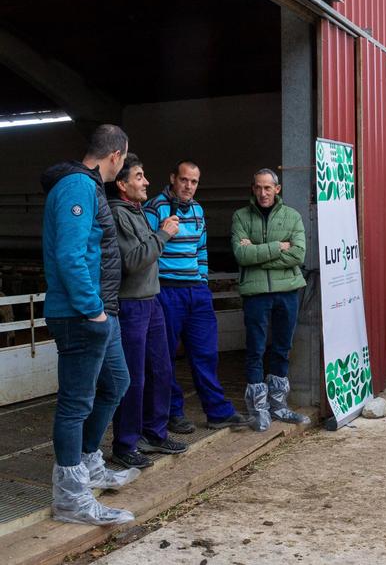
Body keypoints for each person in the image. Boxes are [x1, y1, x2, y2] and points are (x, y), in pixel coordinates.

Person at [43, 124, 138, 526]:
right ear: (116, 156)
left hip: (100, 310)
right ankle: (70, 498)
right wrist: (92, 310)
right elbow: (69, 255)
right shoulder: (77, 187)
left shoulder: (88, 187)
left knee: (116, 383)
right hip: (81, 314)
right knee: (75, 404)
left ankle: (87, 463)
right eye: (125, 159)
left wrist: (101, 310)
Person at [145, 161, 246, 431]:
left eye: (194, 182)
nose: (188, 186)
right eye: (184, 180)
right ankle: (172, 412)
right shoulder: (155, 208)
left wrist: (202, 281)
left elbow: (201, 250)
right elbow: (146, 248)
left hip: (196, 291)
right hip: (166, 290)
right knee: (164, 356)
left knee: (206, 353)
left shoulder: (198, 209)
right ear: (173, 178)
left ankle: (217, 411)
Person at [107, 154, 186, 469]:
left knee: (161, 370)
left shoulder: (136, 211)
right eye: (139, 176)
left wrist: (159, 235)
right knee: (134, 377)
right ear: (122, 184)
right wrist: (164, 234)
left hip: (151, 300)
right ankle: (125, 443)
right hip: (131, 304)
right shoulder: (118, 214)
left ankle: (154, 433)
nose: (146, 182)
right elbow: (133, 260)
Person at [232, 169, 310, 431]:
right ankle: (258, 409)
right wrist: (278, 246)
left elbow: (298, 255)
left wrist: (256, 255)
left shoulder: (292, 216)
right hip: (255, 294)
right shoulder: (241, 216)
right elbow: (241, 255)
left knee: (282, 347)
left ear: (277, 189)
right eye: (258, 187)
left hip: (287, 292)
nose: (262, 193)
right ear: (253, 189)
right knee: (255, 349)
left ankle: (278, 405)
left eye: (267, 188)